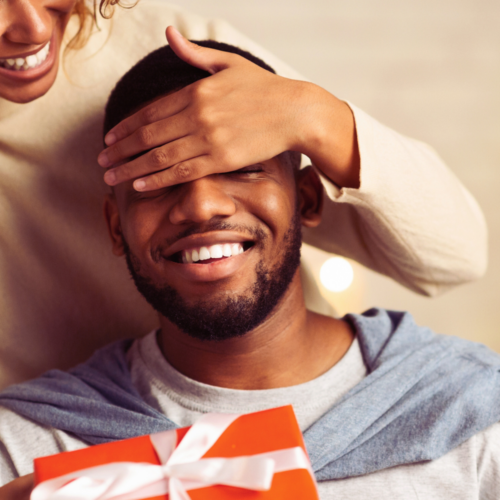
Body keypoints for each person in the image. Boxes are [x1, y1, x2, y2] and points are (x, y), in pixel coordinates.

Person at [0, 42, 499, 499]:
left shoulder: (474, 416)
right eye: (155, 179)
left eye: (242, 167)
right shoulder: (26, 448)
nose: (201, 207)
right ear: (116, 228)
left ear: (304, 198)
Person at [0, 1, 488, 389]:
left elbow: (453, 257)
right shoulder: (29, 434)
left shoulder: (173, 56)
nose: (32, 28)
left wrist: (317, 118)